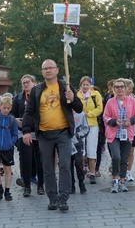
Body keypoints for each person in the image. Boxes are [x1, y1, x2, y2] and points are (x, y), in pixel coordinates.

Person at [22, 59, 83, 212]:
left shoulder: (65, 86)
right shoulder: (37, 90)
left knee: (64, 165)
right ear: (42, 72)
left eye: (50, 68)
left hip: (63, 133)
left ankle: (63, 198)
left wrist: (73, 98)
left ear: (57, 70)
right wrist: (26, 131)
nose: (48, 71)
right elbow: (29, 112)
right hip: (44, 134)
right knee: (48, 167)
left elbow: (80, 108)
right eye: (45, 69)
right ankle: (52, 198)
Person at [103, 78, 135, 193]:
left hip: (127, 134)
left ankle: (122, 181)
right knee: (116, 157)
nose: (119, 89)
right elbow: (105, 117)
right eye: (117, 87)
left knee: (124, 159)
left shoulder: (131, 101)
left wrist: (132, 120)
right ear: (114, 89)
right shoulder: (110, 102)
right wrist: (114, 121)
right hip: (114, 134)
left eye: (121, 87)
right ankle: (115, 179)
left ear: (125, 89)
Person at [11, 74, 45, 197]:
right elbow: (12, 114)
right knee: (25, 159)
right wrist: (15, 120)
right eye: (24, 82)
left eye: (28, 82)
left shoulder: (39, 96)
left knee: (40, 159)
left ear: (34, 83)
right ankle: (27, 186)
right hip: (23, 132)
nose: (26, 84)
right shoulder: (18, 98)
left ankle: (41, 185)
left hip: (39, 131)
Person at [0, 95, 18, 201]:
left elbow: (15, 134)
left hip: (8, 148)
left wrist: (11, 142)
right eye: (4, 108)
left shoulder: (12, 120)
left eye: (8, 108)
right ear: (0, 106)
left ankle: (7, 191)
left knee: (7, 169)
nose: (6, 110)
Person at [77, 76, 103, 184]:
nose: (85, 87)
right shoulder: (77, 95)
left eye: (87, 84)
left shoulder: (95, 94)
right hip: (80, 125)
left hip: (92, 124)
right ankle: (82, 169)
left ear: (90, 85)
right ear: (81, 85)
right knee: (81, 147)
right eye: (84, 84)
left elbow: (99, 108)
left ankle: (92, 171)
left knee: (91, 147)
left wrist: (90, 114)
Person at [70, 110, 89, 194]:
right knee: (68, 164)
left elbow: (86, 128)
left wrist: (78, 135)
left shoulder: (80, 114)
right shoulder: (62, 112)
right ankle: (71, 185)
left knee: (78, 163)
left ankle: (81, 182)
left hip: (77, 143)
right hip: (66, 143)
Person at [93, 86, 106, 178]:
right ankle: (91, 168)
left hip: (101, 130)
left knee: (98, 150)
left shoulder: (103, 104)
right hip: (92, 127)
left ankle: (96, 169)